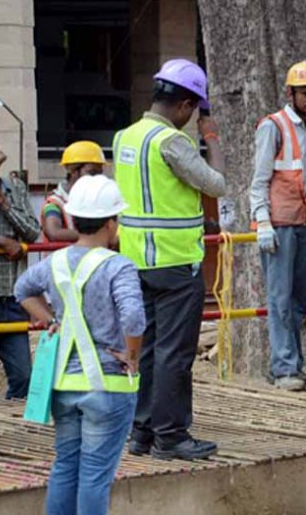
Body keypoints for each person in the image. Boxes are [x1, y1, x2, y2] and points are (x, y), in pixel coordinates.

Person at [115, 58, 226, 460]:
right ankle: (171, 435)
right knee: (174, 353)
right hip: (176, 265)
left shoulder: (125, 137)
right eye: (194, 111)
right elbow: (217, 183)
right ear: (184, 105)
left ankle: (141, 432)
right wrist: (211, 138)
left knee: (146, 349)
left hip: (134, 262)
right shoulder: (171, 142)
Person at [14, 175, 144, 515]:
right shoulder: (119, 266)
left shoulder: (55, 261)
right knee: (95, 476)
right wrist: (132, 356)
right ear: (111, 222)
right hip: (107, 383)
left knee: (65, 465)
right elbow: (133, 318)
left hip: (64, 383)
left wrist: (50, 320)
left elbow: (22, 290)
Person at [250, 61, 306, 392]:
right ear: (290, 93)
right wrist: (262, 221)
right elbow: (259, 180)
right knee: (280, 298)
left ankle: (292, 362)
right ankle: (283, 367)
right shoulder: (273, 127)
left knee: (298, 298)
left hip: (304, 222)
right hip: (279, 224)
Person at [0, 133, 41, 400]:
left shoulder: (14, 187)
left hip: (11, 297)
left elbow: (32, 232)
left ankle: (9, 422)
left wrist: (0, 199)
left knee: (23, 377)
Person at [42, 141, 107, 242]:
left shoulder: (97, 199)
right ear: (72, 170)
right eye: (92, 172)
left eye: (99, 173)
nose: (97, 178)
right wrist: (97, 236)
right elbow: (53, 232)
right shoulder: (55, 203)